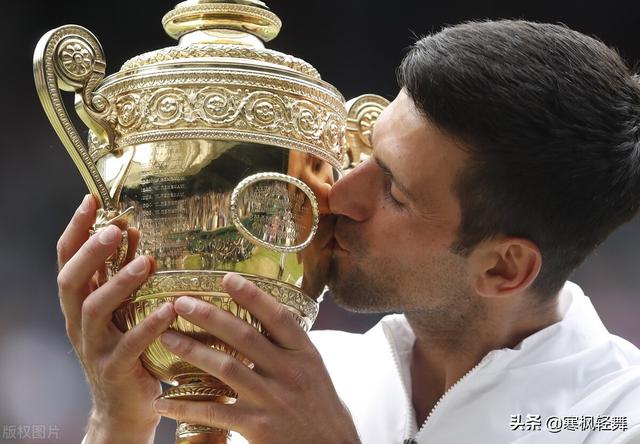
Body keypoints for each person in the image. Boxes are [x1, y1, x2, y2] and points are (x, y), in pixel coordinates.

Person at [59, 20, 640, 443]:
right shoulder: (299, 373)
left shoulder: (615, 415)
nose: (338, 194)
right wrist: (121, 421)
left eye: (394, 191)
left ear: (502, 268)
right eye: (364, 153)